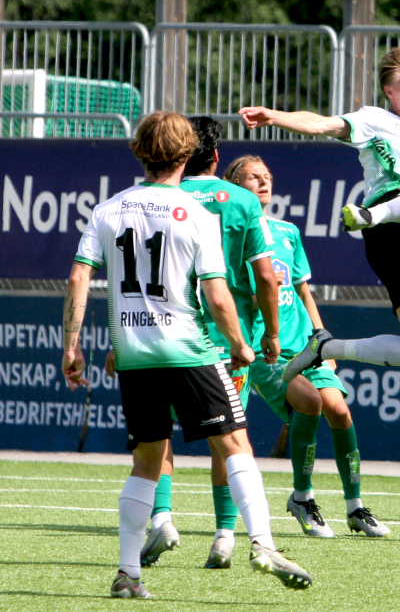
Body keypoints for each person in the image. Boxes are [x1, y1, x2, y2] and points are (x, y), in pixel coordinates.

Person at [64, 112, 311, 599]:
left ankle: (128, 573)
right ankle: (263, 545)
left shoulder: (108, 209)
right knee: (236, 445)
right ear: (186, 154)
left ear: (139, 151)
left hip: (134, 356)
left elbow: (78, 277)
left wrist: (72, 346)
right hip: (189, 349)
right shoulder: (196, 213)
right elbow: (216, 294)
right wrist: (239, 344)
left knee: (146, 460)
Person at [238, 47, 400, 380]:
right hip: (388, 228)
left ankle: (325, 348)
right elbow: (321, 124)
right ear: (390, 92)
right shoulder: (375, 119)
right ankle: (371, 215)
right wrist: (274, 116)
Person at [131, 116, 283, 571]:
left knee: (157, 436)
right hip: (222, 338)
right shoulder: (242, 201)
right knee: (229, 439)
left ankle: (162, 519)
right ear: (216, 156)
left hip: (159, 335)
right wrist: (270, 333)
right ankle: (225, 536)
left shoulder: (154, 197)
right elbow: (266, 277)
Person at [226, 155, 389, 539]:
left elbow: (302, 291)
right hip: (263, 349)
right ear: (234, 185)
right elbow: (232, 294)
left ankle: (355, 506)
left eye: (267, 175)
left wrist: (322, 340)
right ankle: (302, 497)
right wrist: (261, 298)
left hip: (305, 346)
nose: (263, 181)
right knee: (310, 403)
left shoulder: (287, 232)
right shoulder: (230, 235)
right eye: (253, 176)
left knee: (339, 411)